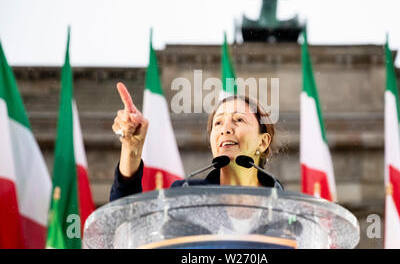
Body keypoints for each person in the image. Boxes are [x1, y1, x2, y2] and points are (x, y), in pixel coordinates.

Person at [109, 82, 283, 202]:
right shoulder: (185, 195)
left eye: (238, 119)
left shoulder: (284, 205)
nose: (225, 129)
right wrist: (131, 148)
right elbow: (129, 222)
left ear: (263, 142)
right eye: (218, 122)